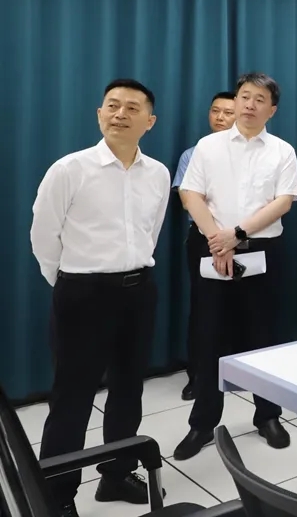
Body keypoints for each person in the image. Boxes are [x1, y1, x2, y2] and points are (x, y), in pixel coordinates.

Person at [30, 79, 170, 517]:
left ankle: (116, 474)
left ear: (150, 121)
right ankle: (57, 496)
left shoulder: (158, 173)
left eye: (132, 108)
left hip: (138, 292)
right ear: (99, 113)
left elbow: (151, 231)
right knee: (71, 398)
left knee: (129, 389)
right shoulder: (69, 169)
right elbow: (43, 235)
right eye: (112, 105)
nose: (120, 114)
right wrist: (69, 282)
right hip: (82, 294)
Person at [174, 72, 297, 460]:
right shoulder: (208, 146)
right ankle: (202, 423)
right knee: (208, 335)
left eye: (259, 99)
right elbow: (190, 194)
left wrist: (237, 234)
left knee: (263, 335)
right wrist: (218, 239)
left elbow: (283, 201)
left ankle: (268, 415)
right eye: (245, 96)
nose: (249, 104)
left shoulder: (282, 150)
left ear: (271, 110)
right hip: (210, 245)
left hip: (261, 248)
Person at [174, 91, 236, 401]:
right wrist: (217, 239)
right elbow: (187, 199)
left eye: (228, 112)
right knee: (203, 310)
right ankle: (197, 377)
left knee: (244, 310)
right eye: (216, 111)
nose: (221, 117)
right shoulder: (193, 153)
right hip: (204, 240)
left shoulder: (255, 153)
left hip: (245, 239)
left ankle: (239, 374)